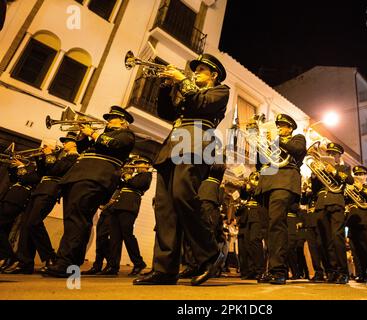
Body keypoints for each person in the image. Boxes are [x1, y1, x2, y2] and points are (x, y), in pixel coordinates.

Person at [133, 53, 229, 286]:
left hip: (197, 139)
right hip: (173, 143)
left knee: (183, 194)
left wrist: (182, 81)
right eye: (194, 70)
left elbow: (202, 104)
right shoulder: (188, 93)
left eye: (201, 70)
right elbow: (167, 113)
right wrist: (166, 88)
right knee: (165, 207)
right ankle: (164, 269)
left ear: (213, 75)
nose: (195, 73)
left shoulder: (220, 91)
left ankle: (210, 254)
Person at [44, 106, 135, 277]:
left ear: (123, 121)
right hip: (80, 176)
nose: (108, 121)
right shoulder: (100, 138)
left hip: (94, 178)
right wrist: (84, 136)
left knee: (77, 219)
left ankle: (65, 263)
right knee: (76, 220)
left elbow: (113, 145)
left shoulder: (126, 135)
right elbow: (81, 150)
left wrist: (94, 133)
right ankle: (72, 264)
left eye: (112, 118)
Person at [4, 133, 79, 274]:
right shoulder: (61, 157)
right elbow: (42, 172)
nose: (64, 144)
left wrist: (49, 155)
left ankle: (51, 257)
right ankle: (25, 262)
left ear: (74, 144)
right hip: (40, 190)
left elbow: (56, 170)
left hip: (51, 190)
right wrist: (41, 156)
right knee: (27, 225)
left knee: (34, 223)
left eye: (67, 141)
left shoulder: (75, 157)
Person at [255, 114, 307, 285]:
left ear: (290, 128)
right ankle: (271, 269)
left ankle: (279, 270)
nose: (278, 128)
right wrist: (261, 145)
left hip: (284, 181)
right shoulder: (271, 142)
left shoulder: (297, 138)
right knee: (266, 228)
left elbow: (297, 150)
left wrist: (276, 140)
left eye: (281, 125)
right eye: (277, 125)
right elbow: (259, 164)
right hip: (266, 183)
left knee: (277, 223)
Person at [313, 142, 353, 284]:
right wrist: (314, 175)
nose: (330, 155)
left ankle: (343, 272)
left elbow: (349, 180)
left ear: (338, 156)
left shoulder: (344, 168)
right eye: (328, 153)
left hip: (336, 201)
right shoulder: (321, 168)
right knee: (323, 240)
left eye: (333, 154)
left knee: (337, 237)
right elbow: (315, 189)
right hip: (321, 203)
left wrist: (334, 171)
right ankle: (331, 270)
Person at [0, 154, 41, 272]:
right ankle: (7, 257)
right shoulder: (28, 170)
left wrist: (21, 166)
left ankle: (9, 256)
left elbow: (26, 179)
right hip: (9, 198)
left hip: (17, 200)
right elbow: (14, 179)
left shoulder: (40, 172)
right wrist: (13, 167)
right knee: (3, 229)